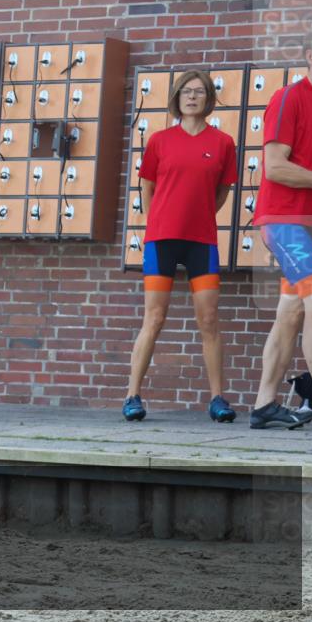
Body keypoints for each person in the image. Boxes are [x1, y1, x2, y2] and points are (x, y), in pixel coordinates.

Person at [124, 70, 238, 422]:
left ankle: (218, 398)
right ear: (177, 97)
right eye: (187, 91)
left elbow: (223, 191)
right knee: (154, 318)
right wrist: (155, 218)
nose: (193, 97)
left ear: (208, 99)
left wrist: (201, 214)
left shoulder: (223, 143)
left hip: (201, 242)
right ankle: (132, 396)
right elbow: (147, 186)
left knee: (209, 320)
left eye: (200, 91)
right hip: (162, 241)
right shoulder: (159, 140)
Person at [249, 28, 312, 429]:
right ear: (311, 55)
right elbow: (274, 166)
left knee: (290, 314)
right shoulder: (288, 97)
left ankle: (263, 405)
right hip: (285, 221)